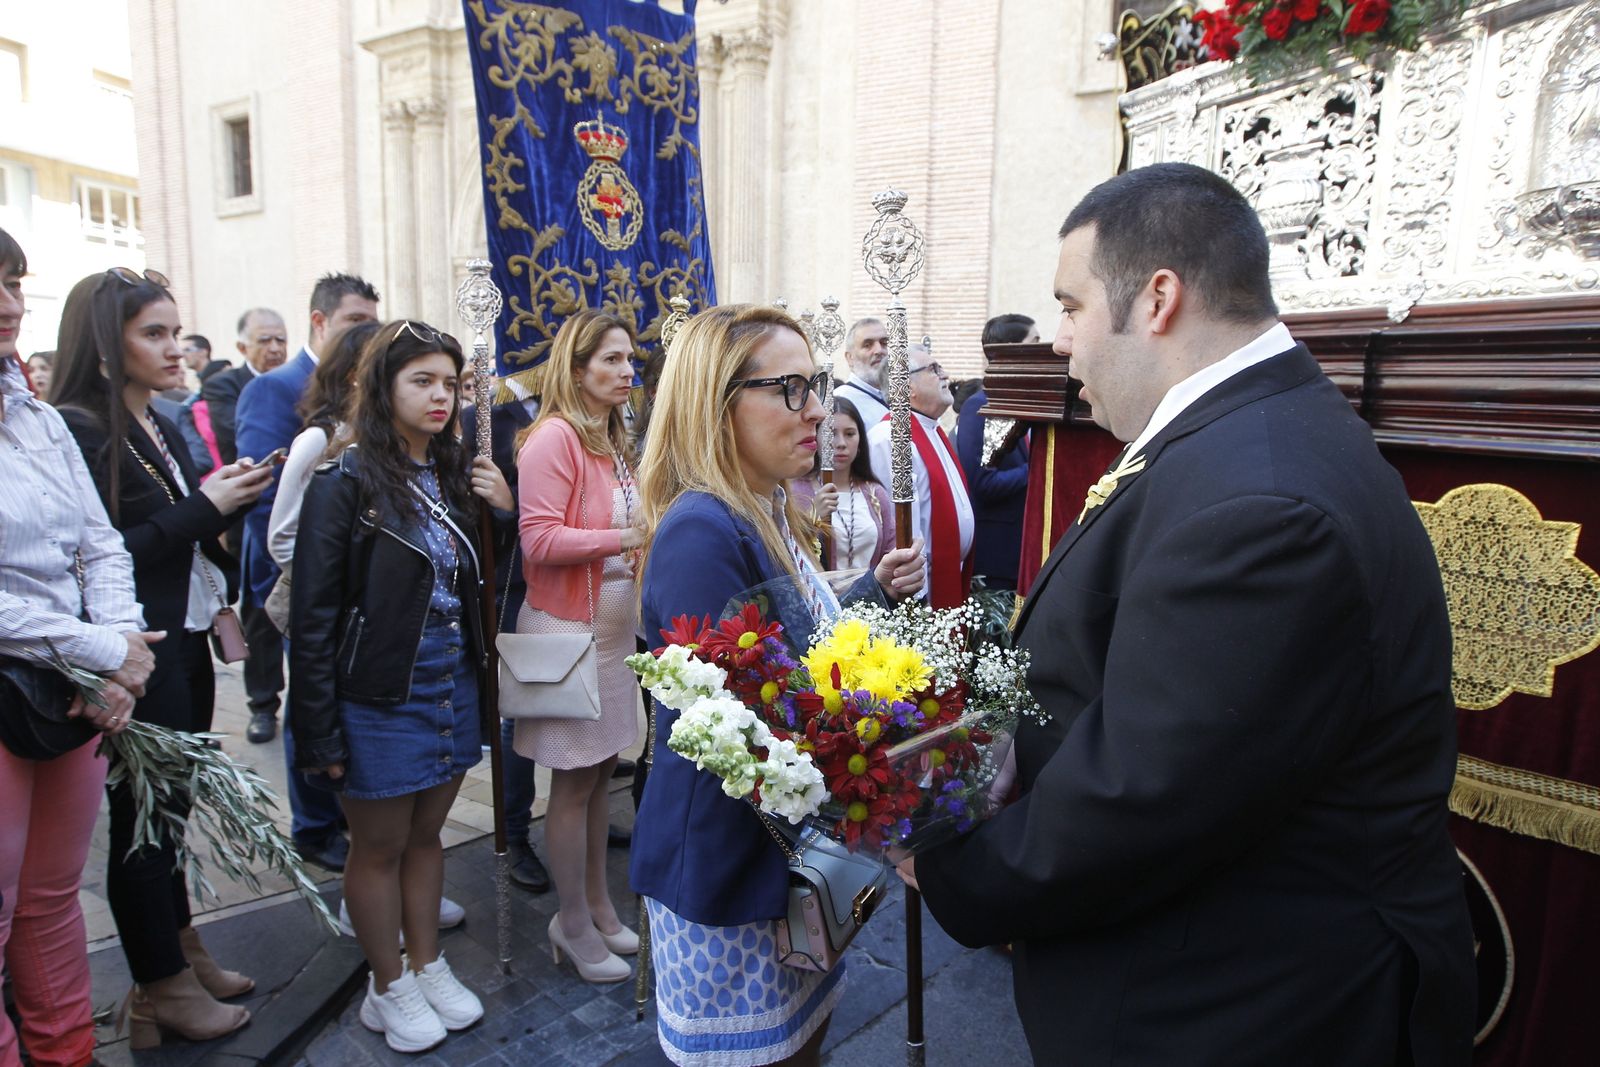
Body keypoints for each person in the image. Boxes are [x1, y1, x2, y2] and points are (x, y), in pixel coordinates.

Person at [904, 163, 1476, 1064]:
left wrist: (939, 855)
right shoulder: (1239, 434)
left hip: (1242, 1007)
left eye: (1072, 304)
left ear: (1158, 297)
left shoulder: (1263, 500)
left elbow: (1143, 796)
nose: (1058, 341)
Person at [631, 303, 925, 1067]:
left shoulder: (761, 507)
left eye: (817, 384)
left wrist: (866, 599)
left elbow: (791, 644)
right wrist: (892, 761)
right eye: (790, 388)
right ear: (715, 402)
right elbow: (748, 722)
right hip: (737, 868)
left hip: (785, 854)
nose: (820, 410)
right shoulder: (702, 527)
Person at [53, 267, 276, 1050]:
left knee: (169, 813)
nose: (175, 348)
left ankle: (182, 949)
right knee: (142, 822)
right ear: (105, 343)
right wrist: (206, 506)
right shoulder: (79, 428)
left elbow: (179, 526)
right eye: (154, 333)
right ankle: (157, 987)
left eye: (176, 331)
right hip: (130, 647)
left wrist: (223, 498)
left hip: (180, 634)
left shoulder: (161, 419)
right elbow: (105, 555)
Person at [289, 320, 509, 1054]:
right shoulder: (343, 480)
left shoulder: (453, 474)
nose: (441, 395)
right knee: (377, 846)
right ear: (383, 386)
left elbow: (481, 579)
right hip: (378, 694)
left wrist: (500, 511)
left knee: (427, 836)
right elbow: (313, 617)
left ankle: (427, 962)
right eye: (422, 380)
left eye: (450, 381)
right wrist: (317, 729)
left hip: (451, 681)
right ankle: (389, 984)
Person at [0, 230, 151, 1067]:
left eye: (15, 281)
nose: (9, 303)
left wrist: (120, 648)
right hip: (30, 678)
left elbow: (101, 541)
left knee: (53, 901)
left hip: (70, 689)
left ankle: (67, 1053)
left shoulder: (38, 416)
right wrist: (102, 645)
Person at [512, 309, 645, 984]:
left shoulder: (612, 438)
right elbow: (538, 539)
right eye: (612, 360)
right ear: (577, 367)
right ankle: (569, 918)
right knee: (570, 785)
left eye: (629, 359)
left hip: (614, 639)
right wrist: (624, 539)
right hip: (569, 636)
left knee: (599, 781)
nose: (628, 371)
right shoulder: (554, 437)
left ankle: (597, 905)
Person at [236, 275, 380, 753]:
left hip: (360, 599)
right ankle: (315, 828)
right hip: (303, 585)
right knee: (313, 709)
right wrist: (311, 585)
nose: (367, 334)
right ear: (320, 321)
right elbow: (266, 501)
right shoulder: (276, 389)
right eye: (355, 321)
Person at [461, 380, 553, 893]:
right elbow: (487, 509)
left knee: (575, 708)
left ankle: (571, 806)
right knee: (520, 715)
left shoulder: (600, 419)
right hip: (519, 586)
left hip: (582, 587)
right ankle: (514, 833)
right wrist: (508, 505)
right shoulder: (499, 418)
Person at [866, 344, 973, 608]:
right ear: (906, 387)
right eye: (934, 369)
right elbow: (895, 522)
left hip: (950, 573)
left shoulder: (934, 430)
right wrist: (915, 598)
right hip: (919, 587)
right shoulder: (889, 436)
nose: (945, 375)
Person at [954, 314, 1037, 591]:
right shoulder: (982, 407)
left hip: (1027, 550)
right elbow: (982, 482)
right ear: (1012, 351)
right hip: (997, 557)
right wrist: (1037, 470)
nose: (1043, 351)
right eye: (1034, 342)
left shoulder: (1029, 402)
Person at [789, 396, 895, 571]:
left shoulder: (874, 493)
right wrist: (813, 518)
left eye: (850, 434)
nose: (841, 444)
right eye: (831, 433)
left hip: (871, 594)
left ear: (860, 440)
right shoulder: (796, 491)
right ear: (817, 437)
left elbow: (891, 550)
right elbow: (788, 553)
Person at [202, 308, 288, 466]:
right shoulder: (222, 385)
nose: (275, 349)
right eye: (264, 341)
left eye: (280, 340)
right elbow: (236, 432)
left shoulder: (297, 381)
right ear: (242, 348)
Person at [832, 316, 888, 427]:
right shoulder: (842, 399)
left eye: (884, 343)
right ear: (850, 357)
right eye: (867, 345)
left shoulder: (900, 396)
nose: (879, 350)